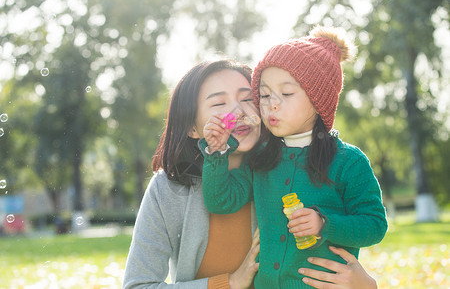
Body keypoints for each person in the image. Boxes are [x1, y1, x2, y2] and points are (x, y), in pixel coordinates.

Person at [123, 59, 379, 289]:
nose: (240, 112)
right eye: (219, 103)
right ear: (192, 126)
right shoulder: (168, 190)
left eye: (248, 99)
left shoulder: (287, 170)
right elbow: (139, 286)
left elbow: (360, 226)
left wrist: (367, 287)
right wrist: (229, 283)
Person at [199, 26, 388, 289]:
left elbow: (374, 225)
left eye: (286, 93)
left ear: (319, 100)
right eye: (264, 95)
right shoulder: (262, 158)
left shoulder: (349, 161)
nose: (271, 104)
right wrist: (217, 153)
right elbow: (221, 201)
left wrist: (324, 223)